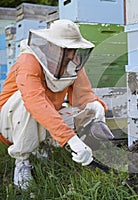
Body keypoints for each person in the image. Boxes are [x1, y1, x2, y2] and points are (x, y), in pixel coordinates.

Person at [0, 19, 107, 190]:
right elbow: (35, 101)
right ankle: (22, 161)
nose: (72, 55)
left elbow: (83, 96)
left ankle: (42, 147)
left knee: (80, 111)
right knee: (25, 98)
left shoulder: (73, 62)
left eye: (74, 49)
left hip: (47, 112)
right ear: (51, 46)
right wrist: (71, 140)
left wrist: (95, 106)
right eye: (67, 49)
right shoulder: (29, 60)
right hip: (9, 122)